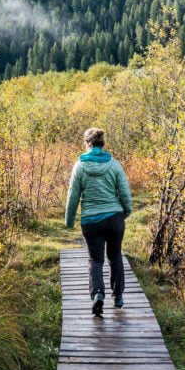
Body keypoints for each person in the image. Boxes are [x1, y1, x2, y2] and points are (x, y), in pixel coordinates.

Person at [64, 127, 132, 316]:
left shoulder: (79, 166)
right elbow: (125, 193)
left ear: (87, 144)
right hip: (114, 218)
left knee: (95, 260)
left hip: (91, 220)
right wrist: (125, 212)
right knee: (115, 256)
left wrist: (69, 221)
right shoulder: (114, 165)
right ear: (103, 144)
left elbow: (73, 196)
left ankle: (98, 294)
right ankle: (117, 298)